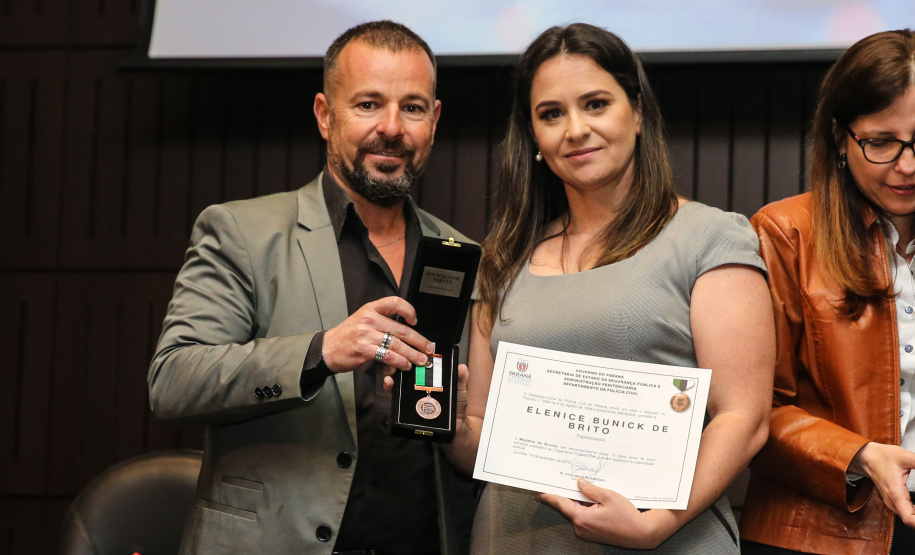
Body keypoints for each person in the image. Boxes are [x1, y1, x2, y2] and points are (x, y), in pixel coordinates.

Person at [148, 20, 477, 555]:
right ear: (326, 115)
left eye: (412, 108)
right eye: (368, 104)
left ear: (434, 122)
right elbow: (173, 382)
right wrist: (321, 351)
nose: (392, 127)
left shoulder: (463, 256)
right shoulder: (241, 232)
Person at [457, 23, 775, 554]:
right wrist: (439, 420)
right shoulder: (502, 259)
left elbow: (744, 417)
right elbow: (482, 436)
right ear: (533, 137)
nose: (575, 129)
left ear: (639, 113)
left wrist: (656, 524)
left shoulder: (709, 237)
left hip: (668, 540)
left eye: (596, 103)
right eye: (551, 114)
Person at [740, 29, 915, 555]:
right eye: (881, 143)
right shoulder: (784, 233)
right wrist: (859, 455)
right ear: (840, 138)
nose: (907, 166)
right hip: (821, 533)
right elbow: (749, 411)